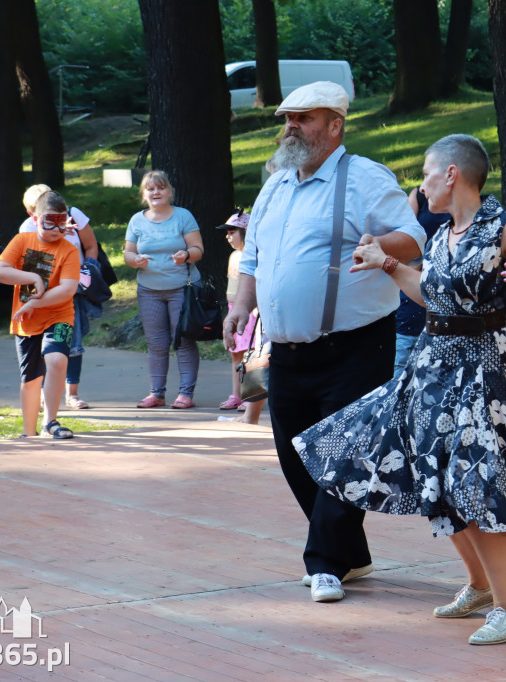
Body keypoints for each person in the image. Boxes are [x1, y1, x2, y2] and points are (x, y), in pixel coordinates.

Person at [293, 134, 506, 645]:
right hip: (431, 369)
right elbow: (433, 295)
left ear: (452, 174)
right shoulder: (442, 234)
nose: (422, 184)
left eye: (428, 173)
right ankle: (478, 585)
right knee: (429, 476)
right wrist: (387, 264)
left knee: (478, 486)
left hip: (483, 373)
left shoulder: (505, 226)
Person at [223, 81, 427, 604]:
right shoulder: (273, 185)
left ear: (335, 125)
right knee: (297, 456)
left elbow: (413, 238)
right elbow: (254, 257)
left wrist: (377, 245)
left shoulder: (364, 178)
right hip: (287, 349)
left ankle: (324, 564)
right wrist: (241, 305)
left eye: (305, 118)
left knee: (344, 455)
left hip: (355, 346)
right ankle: (352, 554)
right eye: (288, 117)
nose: (291, 126)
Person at [0, 191, 81, 439]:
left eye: (61, 221)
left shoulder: (69, 250)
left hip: (59, 316)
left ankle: (50, 421)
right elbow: (0, 272)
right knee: (31, 377)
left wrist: (34, 303)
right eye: (49, 221)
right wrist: (32, 278)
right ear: (35, 218)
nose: (56, 228)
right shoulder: (22, 241)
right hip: (26, 322)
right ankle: (29, 432)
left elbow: (67, 290)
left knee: (57, 360)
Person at [125, 170, 204, 409]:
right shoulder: (137, 220)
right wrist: (134, 260)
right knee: (156, 343)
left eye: (160, 188)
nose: (156, 192)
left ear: (169, 191)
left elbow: (198, 249)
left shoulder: (183, 216)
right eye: (150, 189)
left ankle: (185, 394)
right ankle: (156, 394)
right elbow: (128, 253)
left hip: (182, 288)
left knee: (183, 341)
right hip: (149, 290)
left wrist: (187, 255)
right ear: (144, 194)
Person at [20, 184, 101, 410]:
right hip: (42, 294)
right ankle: (46, 391)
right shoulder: (26, 228)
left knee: (73, 342)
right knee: (45, 344)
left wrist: (89, 269)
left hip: (73, 291)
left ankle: (72, 393)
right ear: (32, 213)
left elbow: (91, 245)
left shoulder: (73, 216)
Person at [394, 186, 451, 373]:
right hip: (416, 273)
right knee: (402, 355)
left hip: (446, 283)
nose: (425, 184)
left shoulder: (463, 201)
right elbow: (406, 234)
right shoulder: (420, 195)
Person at [217, 209, 255, 413]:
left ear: (246, 231)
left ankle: (252, 395)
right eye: (228, 232)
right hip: (233, 308)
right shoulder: (233, 256)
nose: (228, 236)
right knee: (235, 353)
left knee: (251, 353)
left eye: (232, 231)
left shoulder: (252, 255)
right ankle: (236, 395)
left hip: (251, 312)